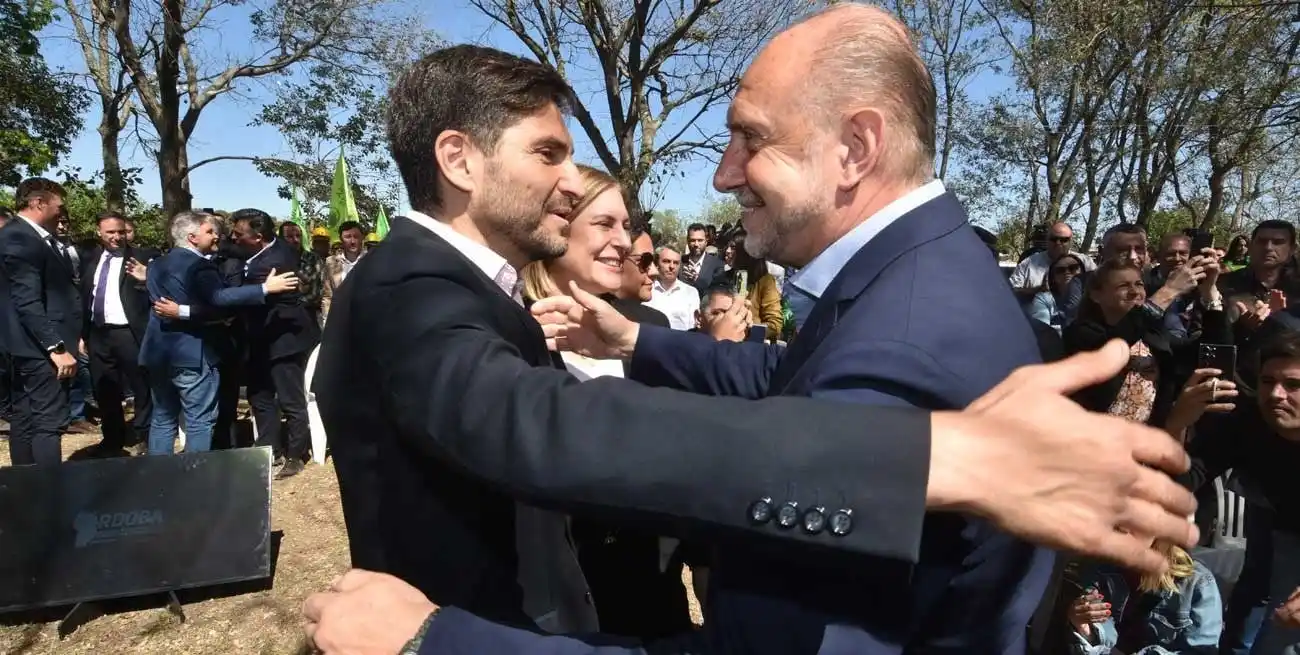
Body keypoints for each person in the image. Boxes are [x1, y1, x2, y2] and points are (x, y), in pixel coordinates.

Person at [310, 41, 1197, 654]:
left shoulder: (917, 308)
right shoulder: (407, 283)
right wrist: (930, 458)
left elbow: (786, 376)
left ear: (857, 147)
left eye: (751, 140)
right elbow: (531, 421)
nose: (572, 182)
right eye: (548, 152)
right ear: (459, 159)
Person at [548, 4, 1060, 652]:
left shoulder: (902, 341)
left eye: (752, 138)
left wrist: (438, 637)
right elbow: (785, 376)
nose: (724, 173)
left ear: (855, 148)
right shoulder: (913, 271)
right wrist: (633, 340)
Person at [230, 209, 322, 478]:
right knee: (260, 396)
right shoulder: (270, 247)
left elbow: (237, 296)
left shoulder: (271, 265)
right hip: (261, 339)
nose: (232, 238)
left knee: (290, 398)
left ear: (258, 237)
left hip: (285, 341)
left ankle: (295, 455)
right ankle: (269, 448)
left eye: (238, 234)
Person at [0, 178, 81, 465]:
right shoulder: (22, 237)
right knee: (48, 421)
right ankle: (49, 495)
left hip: (23, 345)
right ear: (39, 203)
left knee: (25, 416)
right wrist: (56, 348)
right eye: (59, 205)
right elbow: (27, 300)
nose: (62, 211)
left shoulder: (19, 235)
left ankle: (26, 491)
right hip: (38, 350)